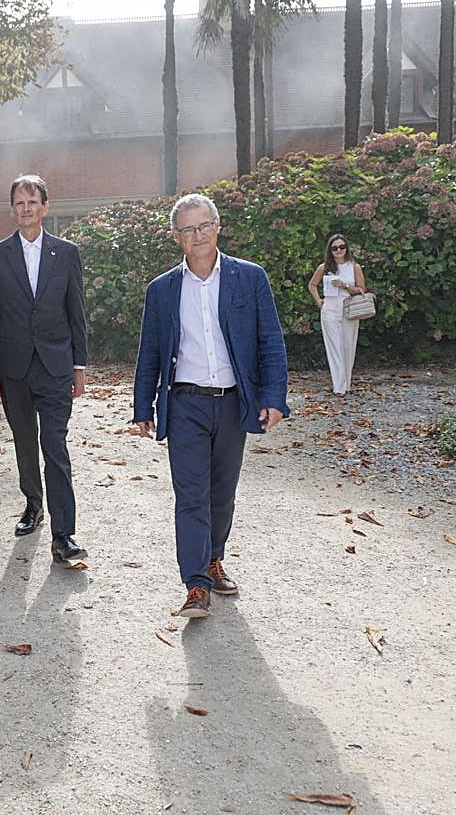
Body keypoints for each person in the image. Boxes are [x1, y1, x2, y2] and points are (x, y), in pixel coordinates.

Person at [133, 193, 289, 619]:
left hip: (232, 402)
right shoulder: (162, 290)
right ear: (176, 237)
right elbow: (149, 350)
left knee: (222, 493)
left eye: (203, 226)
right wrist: (143, 406)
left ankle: (214, 558)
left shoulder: (249, 278)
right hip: (184, 403)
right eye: (188, 229)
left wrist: (274, 398)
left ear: (218, 226)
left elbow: (270, 341)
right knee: (190, 495)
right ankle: (196, 584)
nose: (197, 235)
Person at [0, 174, 88, 564]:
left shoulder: (67, 253)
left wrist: (79, 366)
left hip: (56, 366)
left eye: (32, 201)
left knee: (54, 445)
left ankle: (64, 534)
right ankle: (33, 505)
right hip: (13, 368)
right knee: (25, 441)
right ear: (12, 209)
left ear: (44, 207)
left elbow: (77, 312)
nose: (25, 208)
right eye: (19, 202)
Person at [307, 234, 367, 395]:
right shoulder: (324, 268)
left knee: (348, 345)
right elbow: (312, 285)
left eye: (342, 247)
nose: (339, 250)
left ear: (347, 248)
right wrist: (319, 302)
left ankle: (346, 384)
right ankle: (339, 386)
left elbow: (361, 290)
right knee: (334, 346)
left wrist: (345, 285)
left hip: (348, 306)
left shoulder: (354, 267)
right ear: (330, 250)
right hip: (330, 307)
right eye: (335, 248)